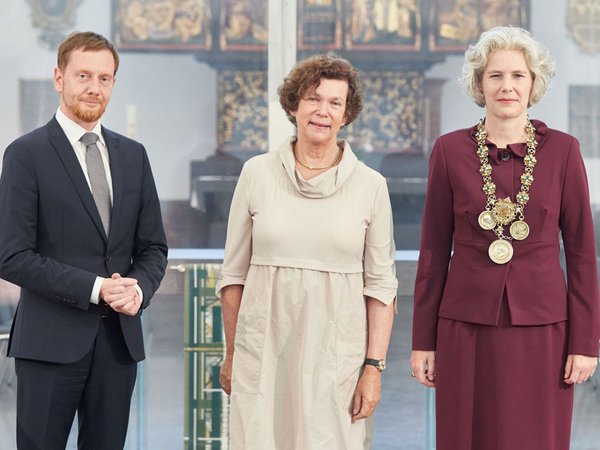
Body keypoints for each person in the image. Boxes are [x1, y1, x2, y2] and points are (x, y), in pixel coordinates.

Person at [411, 26, 600, 450]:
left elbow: (584, 255)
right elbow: (433, 253)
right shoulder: (448, 151)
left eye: (518, 75)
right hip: (464, 328)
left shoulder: (565, 151)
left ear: (534, 84)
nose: (507, 86)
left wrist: (586, 343)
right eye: (495, 75)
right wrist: (423, 341)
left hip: (544, 329)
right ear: (480, 83)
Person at [217, 54, 397, 449]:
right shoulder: (256, 174)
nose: (323, 111)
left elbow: (382, 286)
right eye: (314, 99)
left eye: (335, 103)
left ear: (347, 114)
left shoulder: (371, 186)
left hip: (338, 358)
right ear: (293, 105)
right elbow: (232, 277)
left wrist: (373, 368)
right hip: (262, 350)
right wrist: (233, 354)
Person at [0, 31, 168, 449]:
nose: (95, 87)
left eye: (105, 78)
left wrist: (139, 290)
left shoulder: (134, 155)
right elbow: (11, 255)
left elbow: (153, 248)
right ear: (59, 78)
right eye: (83, 75)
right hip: (49, 344)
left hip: (118, 346)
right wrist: (97, 288)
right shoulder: (26, 154)